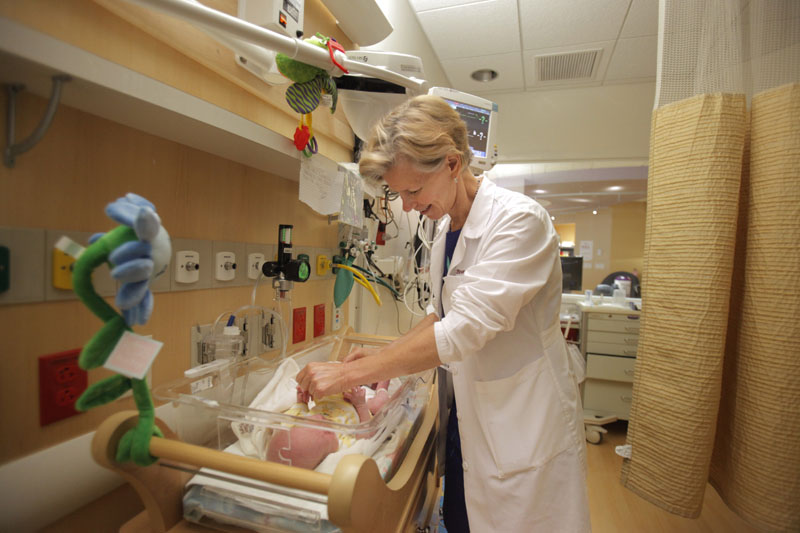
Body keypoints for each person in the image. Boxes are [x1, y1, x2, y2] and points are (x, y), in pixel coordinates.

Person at [296, 95, 590, 531]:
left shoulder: (519, 222)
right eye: (400, 193)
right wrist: (380, 359)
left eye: (413, 191)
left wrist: (346, 377)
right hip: (472, 414)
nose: (408, 206)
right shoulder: (445, 228)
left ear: (453, 164)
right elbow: (442, 314)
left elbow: (462, 332)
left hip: (523, 422)